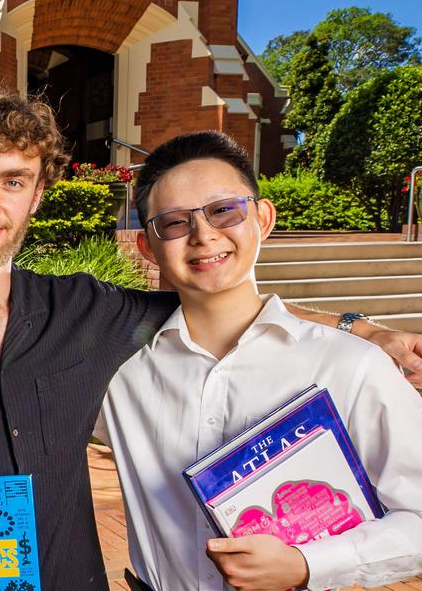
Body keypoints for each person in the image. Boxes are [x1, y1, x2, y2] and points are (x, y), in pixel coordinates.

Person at [0, 90, 422, 590]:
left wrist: (361, 329)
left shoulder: (84, 314)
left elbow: (220, 294)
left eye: (15, 181)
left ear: (38, 195)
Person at [95, 131, 422, 591]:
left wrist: (309, 563)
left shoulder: (352, 365)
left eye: (223, 210)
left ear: (262, 218)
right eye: (173, 222)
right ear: (148, 246)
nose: (204, 235)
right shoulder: (119, 373)